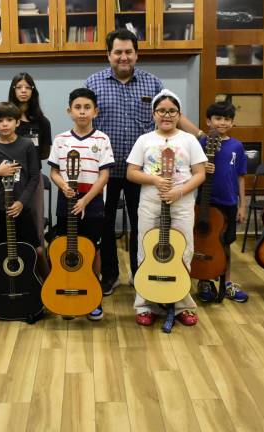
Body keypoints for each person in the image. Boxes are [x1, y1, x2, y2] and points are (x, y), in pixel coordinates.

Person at [85, 29, 203, 296]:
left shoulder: (153, 84)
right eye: (118, 52)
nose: (123, 57)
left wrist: (199, 135)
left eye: (128, 52)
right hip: (106, 171)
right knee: (105, 224)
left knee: (144, 225)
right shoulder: (93, 83)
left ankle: (142, 273)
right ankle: (111, 275)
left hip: (144, 173)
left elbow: (170, 111)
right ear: (109, 55)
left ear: (136, 54)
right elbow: (84, 119)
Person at [126, 89, 207, 326]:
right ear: (154, 114)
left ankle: (182, 303)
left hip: (181, 203)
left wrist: (179, 191)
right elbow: (131, 172)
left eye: (172, 111)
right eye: (161, 110)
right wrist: (155, 180)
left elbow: (200, 173)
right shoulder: (145, 140)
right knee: (146, 250)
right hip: (151, 202)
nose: (167, 115)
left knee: (183, 251)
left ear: (179, 114)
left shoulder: (189, 140)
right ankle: (144, 304)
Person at [47, 88, 114, 320]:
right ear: (69, 111)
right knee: (67, 248)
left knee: (92, 249)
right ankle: (68, 293)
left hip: (92, 201)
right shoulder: (61, 139)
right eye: (78, 107)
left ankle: (93, 296)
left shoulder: (102, 139)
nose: (82, 112)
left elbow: (104, 176)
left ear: (95, 111)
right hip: (66, 200)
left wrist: (86, 199)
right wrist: (63, 186)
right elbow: (54, 172)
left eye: (87, 107)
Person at [0, 101, 41, 281]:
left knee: (30, 249)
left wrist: (22, 202)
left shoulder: (27, 145)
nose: (4, 124)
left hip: (20, 207)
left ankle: (29, 284)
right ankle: (1, 285)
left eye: (9, 120)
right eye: (0, 120)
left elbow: (34, 177)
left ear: (17, 123)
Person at [196, 101, 249, 303]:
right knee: (204, 240)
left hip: (228, 202)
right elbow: (192, 169)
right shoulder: (201, 143)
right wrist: (203, 168)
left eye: (227, 119)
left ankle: (226, 283)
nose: (222, 122)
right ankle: (204, 280)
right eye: (218, 118)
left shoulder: (237, 146)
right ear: (209, 121)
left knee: (225, 244)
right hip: (206, 202)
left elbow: (240, 176)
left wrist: (242, 204)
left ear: (233, 123)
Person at [7, 72, 51, 256]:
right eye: (19, 87)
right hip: (11, 180)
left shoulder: (42, 121)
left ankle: (37, 261)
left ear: (33, 91)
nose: (23, 91)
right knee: (12, 219)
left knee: (35, 220)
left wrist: (27, 159)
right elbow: (0, 149)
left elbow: (45, 152)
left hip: (33, 178)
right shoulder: (6, 119)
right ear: (13, 90)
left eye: (27, 87)